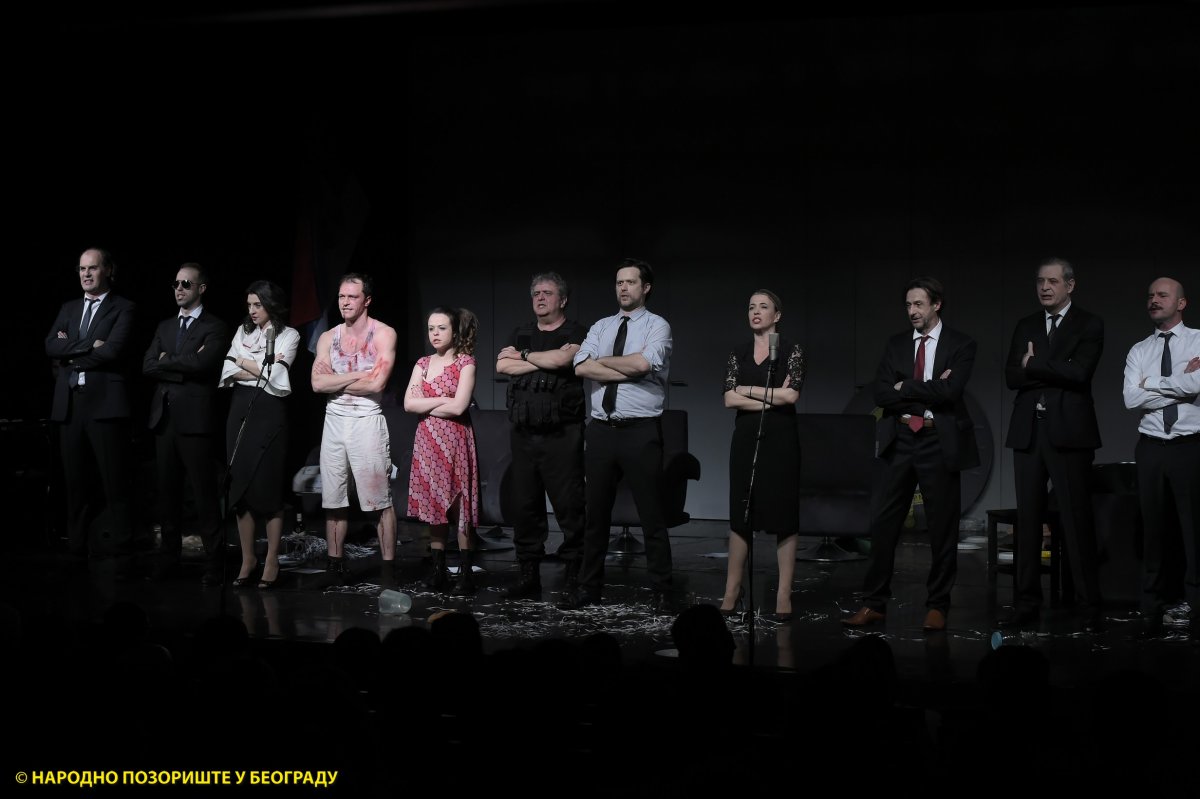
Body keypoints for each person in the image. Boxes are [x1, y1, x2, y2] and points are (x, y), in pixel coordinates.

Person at [842, 277, 979, 632]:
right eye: (908, 305)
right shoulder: (897, 344)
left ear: (936, 304)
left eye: (918, 304)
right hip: (901, 437)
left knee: (942, 527)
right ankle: (874, 603)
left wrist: (907, 387)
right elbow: (882, 394)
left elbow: (951, 392)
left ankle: (938, 605)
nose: (912, 311)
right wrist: (928, 390)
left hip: (938, 440)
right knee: (884, 522)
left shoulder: (961, 344)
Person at [559, 258, 675, 611]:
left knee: (651, 516)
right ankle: (588, 588)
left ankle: (662, 592)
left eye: (631, 282)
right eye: (619, 282)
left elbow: (643, 363)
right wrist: (624, 366)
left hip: (640, 431)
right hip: (601, 431)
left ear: (646, 287)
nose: (623, 288)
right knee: (595, 516)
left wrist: (603, 361)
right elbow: (580, 366)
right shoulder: (601, 325)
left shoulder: (657, 326)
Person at [1001, 258, 1104, 632]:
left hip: (1070, 433)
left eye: (1053, 281)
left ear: (1070, 285)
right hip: (1029, 431)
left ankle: (1088, 605)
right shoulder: (1026, 324)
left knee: (1076, 521)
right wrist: (1049, 368)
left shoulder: (1089, 323)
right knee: (1028, 522)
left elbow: (1080, 373)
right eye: (1040, 281)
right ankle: (1027, 603)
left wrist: (1035, 364)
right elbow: (1012, 376)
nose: (1045, 287)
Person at [495, 272, 587, 599]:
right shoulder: (521, 332)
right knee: (526, 507)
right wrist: (539, 361)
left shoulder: (576, 332)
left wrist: (522, 356)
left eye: (547, 293)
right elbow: (502, 366)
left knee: (569, 506)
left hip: (562, 433)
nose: (540, 298)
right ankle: (528, 577)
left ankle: (575, 577)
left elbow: (563, 359)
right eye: (536, 293)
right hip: (524, 433)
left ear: (563, 299)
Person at [45, 248, 137, 570]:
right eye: (82, 269)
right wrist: (87, 346)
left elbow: (112, 351)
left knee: (114, 483)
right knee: (74, 483)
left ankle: (123, 552)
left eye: (93, 268)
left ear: (107, 270)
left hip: (104, 405)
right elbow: (50, 345)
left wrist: (68, 352)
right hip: (70, 405)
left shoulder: (123, 307)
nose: (86, 274)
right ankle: (76, 547)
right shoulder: (68, 308)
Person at [720, 290, 804, 622]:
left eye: (763, 307)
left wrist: (748, 390)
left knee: (784, 514)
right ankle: (732, 589)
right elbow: (728, 399)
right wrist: (772, 397)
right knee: (741, 513)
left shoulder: (791, 350)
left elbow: (791, 396)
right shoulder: (737, 352)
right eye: (751, 307)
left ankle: (783, 593)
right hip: (745, 438)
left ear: (777, 315)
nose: (756, 311)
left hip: (781, 439)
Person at [1122, 277, 1199, 639]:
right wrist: (1180, 384)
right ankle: (1152, 604)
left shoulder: (1198, 341)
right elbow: (1130, 399)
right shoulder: (1139, 350)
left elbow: (1198, 385)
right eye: (1150, 295)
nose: (1154, 300)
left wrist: (1150, 383)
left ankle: (1194, 603)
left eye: (1162, 295)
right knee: (1153, 528)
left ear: (1181, 303)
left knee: (1193, 529)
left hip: (1190, 445)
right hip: (1151, 446)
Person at [312, 273, 399, 587]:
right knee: (333, 499)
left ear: (367, 300)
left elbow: (377, 384)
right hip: (334, 422)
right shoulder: (328, 337)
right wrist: (357, 375)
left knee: (378, 500)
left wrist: (336, 380)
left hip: (366, 421)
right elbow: (316, 383)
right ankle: (335, 566)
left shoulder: (383, 333)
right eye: (341, 297)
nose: (345, 303)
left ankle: (388, 569)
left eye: (352, 297)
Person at [143, 263, 229, 581]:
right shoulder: (165, 326)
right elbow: (148, 365)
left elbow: (204, 364)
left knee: (204, 494)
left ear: (201, 288)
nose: (179, 289)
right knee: (167, 495)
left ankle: (215, 561)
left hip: (195, 421)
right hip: (164, 419)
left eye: (186, 284)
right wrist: (182, 366)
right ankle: (168, 559)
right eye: (176, 284)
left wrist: (168, 362)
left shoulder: (215, 326)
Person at [219, 281, 300, 589]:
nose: (252, 311)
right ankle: (248, 558)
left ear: (271, 304)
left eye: (258, 305)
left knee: (268, 488)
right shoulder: (243, 332)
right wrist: (250, 366)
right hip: (240, 408)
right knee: (240, 488)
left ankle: (272, 559)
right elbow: (227, 369)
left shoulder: (289, 335)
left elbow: (277, 374)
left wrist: (241, 362)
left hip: (270, 411)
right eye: (249, 305)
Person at [404, 307, 481, 595]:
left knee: (459, 505)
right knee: (435, 505)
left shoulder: (465, 362)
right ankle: (438, 571)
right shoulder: (422, 363)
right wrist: (442, 400)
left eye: (441, 328)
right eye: (431, 328)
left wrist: (426, 402)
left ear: (454, 331)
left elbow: (459, 407)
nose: (435, 334)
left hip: (455, 440)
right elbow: (408, 404)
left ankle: (466, 573)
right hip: (427, 441)